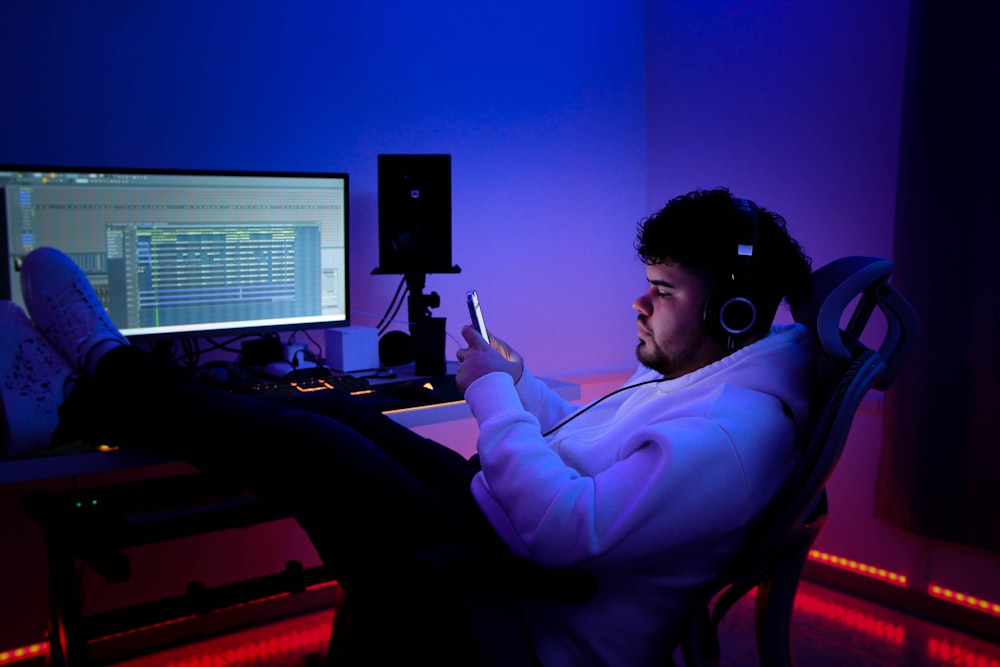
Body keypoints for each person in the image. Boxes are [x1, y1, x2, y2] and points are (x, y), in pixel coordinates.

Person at [0, 186, 814, 666]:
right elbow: (588, 445)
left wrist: (493, 399)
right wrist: (522, 386)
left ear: (734, 311)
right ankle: (90, 387)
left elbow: (569, 530)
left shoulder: (733, 434)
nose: (640, 302)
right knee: (330, 408)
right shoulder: (707, 377)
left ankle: (91, 378)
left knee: (308, 448)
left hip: (514, 606)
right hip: (499, 530)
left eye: (664, 290)